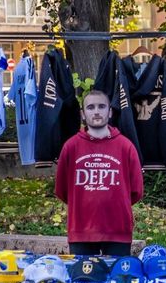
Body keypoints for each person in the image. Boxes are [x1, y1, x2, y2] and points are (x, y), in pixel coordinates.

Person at [54, 89, 144, 256]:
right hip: (81, 230)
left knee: (119, 280)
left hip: (118, 230)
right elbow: (62, 190)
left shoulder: (126, 146)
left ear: (109, 112)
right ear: (82, 113)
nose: (96, 111)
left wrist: (116, 202)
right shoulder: (71, 147)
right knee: (82, 280)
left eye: (101, 106)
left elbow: (136, 191)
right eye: (90, 107)